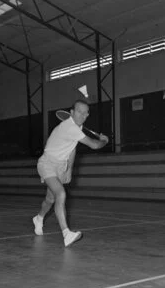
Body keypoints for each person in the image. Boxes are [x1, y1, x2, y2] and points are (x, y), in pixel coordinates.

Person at [33, 99, 109, 247]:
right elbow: (94, 145)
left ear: (87, 115)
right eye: (79, 112)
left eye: (85, 113)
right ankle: (66, 233)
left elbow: (72, 148)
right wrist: (104, 141)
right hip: (47, 163)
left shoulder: (77, 129)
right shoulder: (70, 128)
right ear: (72, 113)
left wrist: (69, 169)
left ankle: (38, 218)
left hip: (61, 166)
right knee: (61, 194)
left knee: (50, 199)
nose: (82, 115)